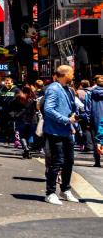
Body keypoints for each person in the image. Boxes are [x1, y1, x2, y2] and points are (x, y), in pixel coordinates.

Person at [42, 65, 80, 205]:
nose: (73, 75)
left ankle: (65, 190)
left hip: (66, 131)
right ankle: (50, 193)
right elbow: (48, 109)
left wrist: (72, 122)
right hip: (54, 132)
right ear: (65, 74)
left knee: (69, 161)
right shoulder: (53, 88)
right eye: (72, 73)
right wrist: (66, 120)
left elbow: (68, 108)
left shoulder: (68, 90)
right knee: (56, 162)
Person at [11, 84, 39, 159]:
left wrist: (14, 115)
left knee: (22, 135)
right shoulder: (33, 98)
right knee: (30, 135)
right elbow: (37, 109)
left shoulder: (18, 97)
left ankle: (25, 148)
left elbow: (11, 106)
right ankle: (28, 150)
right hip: (32, 119)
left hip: (21, 119)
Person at [0, 76, 18, 147]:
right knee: (5, 126)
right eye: (6, 82)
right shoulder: (1, 90)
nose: (7, 84)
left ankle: (15, 140)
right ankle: (7, 141)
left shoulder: (16, 90)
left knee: (13, 126)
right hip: (4, 111)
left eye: (8, 82)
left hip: (14, 111)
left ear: (12, 83)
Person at [88, 74, 103, 168]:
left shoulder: (91, 92)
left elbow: (87, 106)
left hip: (96, 117)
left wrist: (88, 119)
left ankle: (97, 160)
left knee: (96, 140)